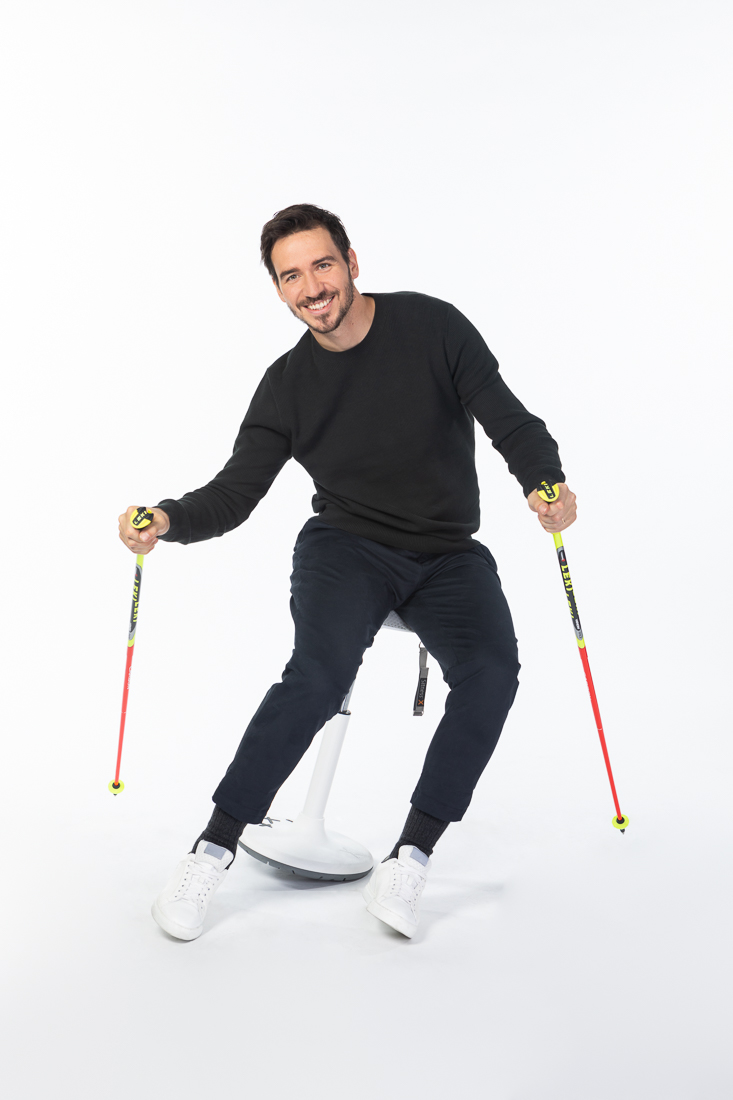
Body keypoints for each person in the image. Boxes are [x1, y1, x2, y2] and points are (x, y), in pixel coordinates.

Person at [118, 203, 577, 941]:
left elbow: (510, 421)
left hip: (447, 553)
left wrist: (544, 483)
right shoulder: (286, 385)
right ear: (278, 290)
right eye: (290, 276)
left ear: (352, 262)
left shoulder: (433, 327)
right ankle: (211, 849)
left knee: (494, 672)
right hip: (346, 548)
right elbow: (234, 494)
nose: (311, 287)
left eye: (322, 264)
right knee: (318, 676)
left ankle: (411, 856)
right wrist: (167, 519)